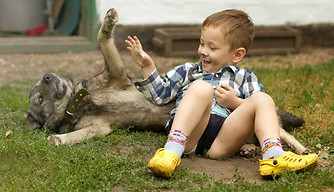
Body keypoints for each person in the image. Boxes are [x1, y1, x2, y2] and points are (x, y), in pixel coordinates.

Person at [125, 9, 318, 179]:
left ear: (237, 55)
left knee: (263, 99)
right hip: (191, 134)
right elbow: (160, 95)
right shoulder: (188, 71)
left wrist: (235, 102)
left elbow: (262, 113)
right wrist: (148, 67)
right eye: (202, 44)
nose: (203, 51)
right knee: (202, 88)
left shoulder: (245, 77)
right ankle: (171, 152)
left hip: (223, 139)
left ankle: (274, 156)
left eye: (212, 47)